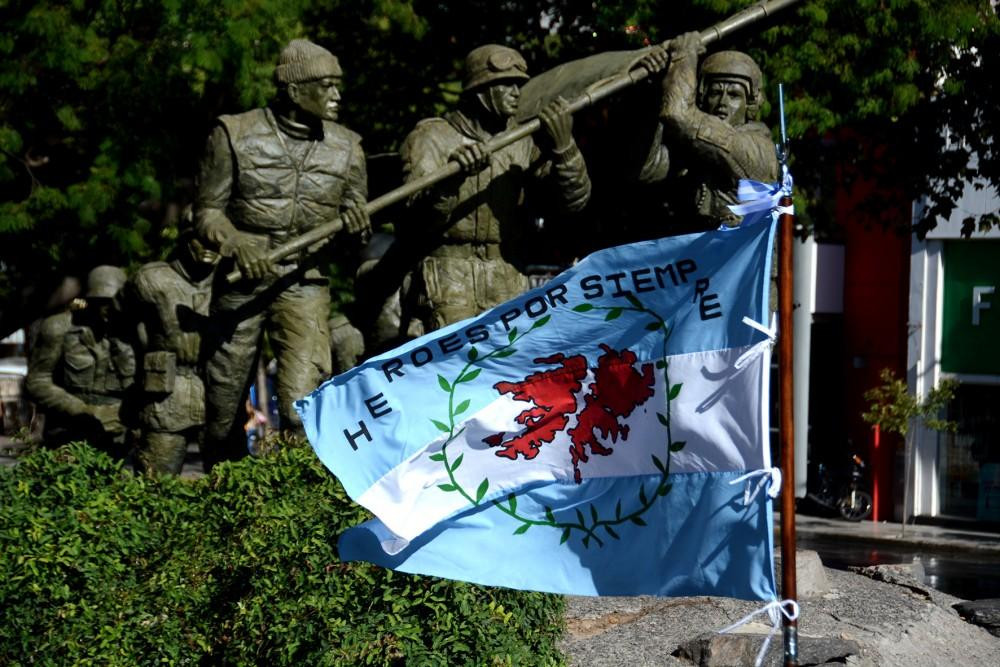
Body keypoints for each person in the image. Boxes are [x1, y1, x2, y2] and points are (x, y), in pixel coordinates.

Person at [194, 38, 369, 464]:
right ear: (293, 90)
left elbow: (355, 234)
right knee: (221, 406)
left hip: (304, 282)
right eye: (326, 86)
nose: (337, 96)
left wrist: (357, 226)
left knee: (302, 404)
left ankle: (293, 499)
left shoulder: (348, 147)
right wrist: (235, 242)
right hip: (242, 282)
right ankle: (223, 491)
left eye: (337, 86)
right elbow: (206, 213)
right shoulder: (233, 134)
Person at [399, 44, 591, 331]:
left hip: (506, 276)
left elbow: (572, 201)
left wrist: (565, 149)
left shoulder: (521, 141)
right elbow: (413, 225)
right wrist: (449, 184)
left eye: (520, 85)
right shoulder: (431, 138)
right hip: (448, 279)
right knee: (455, 370)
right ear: (480, 90)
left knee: (507, 371)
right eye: (507, 85)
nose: (517, 92)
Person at [639, 33, 779, 231]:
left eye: (734, 95)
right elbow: (647, 169)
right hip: (698, 254)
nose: (722, 103)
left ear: (750, 104)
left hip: (735, 258)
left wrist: (683, 55)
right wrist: (654, 89)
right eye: (715, 93)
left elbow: (677, 113)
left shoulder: (757, 150)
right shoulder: (694, 147)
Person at [126, 225, 219, 474]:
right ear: (186, 240)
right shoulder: (151, 279)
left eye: (218, 241)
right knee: (155, 482)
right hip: (165, 397)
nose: (210, 248)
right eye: (203, 240)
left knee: (232, 484)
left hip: (219, 395)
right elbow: (120, 328)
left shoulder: (230, 281)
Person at [25, 265, 136, 456]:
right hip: (67, 430)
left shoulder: (135, 334)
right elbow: (37, 381)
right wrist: (85, 410)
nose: (109, 309)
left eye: (115, 301)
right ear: (89, 300)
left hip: (117, 434)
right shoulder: (58, 328)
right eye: (102, 302)